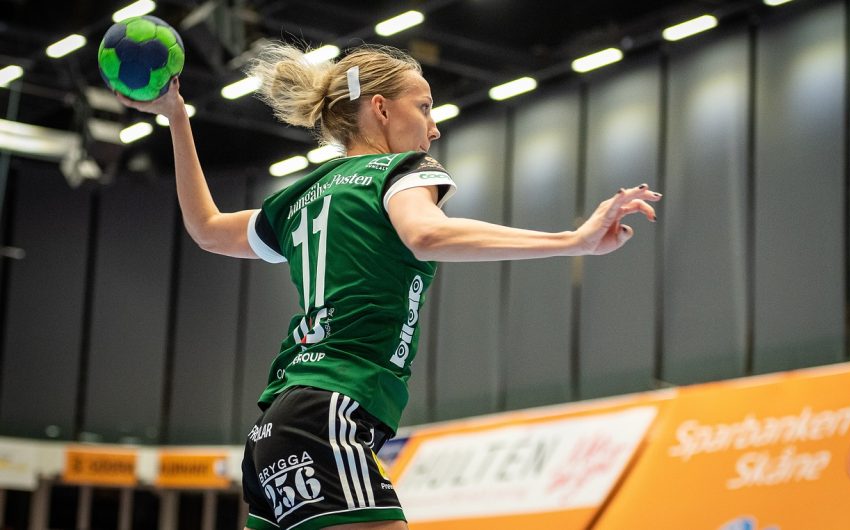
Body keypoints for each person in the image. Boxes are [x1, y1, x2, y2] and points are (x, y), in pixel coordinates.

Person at [116, 43, 660, 530]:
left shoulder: (304, 194)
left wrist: (176, 118)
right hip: (331, 410)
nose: (434, 126)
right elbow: (425, 234)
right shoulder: (400, 170)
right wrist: (573, 240)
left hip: (275, 429)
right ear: (380, 108)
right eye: (423, 107)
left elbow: (207, 230)